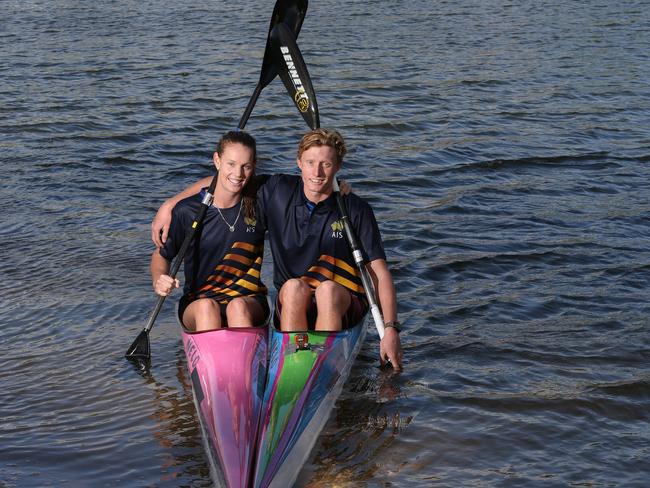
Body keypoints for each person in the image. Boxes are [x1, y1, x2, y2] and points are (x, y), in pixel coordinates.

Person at [152, 129, 403, 370]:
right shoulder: (277, 191)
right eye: (310, 162)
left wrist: (390, 329)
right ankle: (293, 366)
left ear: (337, 167)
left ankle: (321, 371)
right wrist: (170, 204)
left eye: (326, 164)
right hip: (294, 299)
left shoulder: (356, 209)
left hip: (341, 301)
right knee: (293, 287)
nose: (317, 172)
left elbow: (379, 274)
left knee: (326, 291)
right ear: (298, 162)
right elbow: (228, 181)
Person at [151, 130, 269, 332]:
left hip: (249, 300)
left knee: (237, 307)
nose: (238, 174)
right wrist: (159, 278)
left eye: (246, 166)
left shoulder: (262, 200)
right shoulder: (188, 212)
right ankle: (213, 362)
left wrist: (339, 186)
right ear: (217, 160)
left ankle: (243, 362)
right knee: (208, 308)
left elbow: (309, 183)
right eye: (231, 164)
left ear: (254, 166)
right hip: (199, 302)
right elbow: (162, 256)